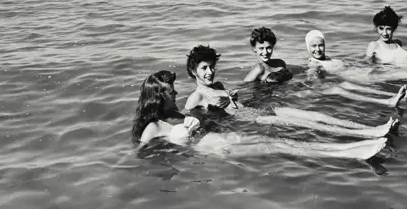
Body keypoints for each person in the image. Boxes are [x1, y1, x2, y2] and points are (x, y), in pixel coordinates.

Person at [132, 69, 388, 161]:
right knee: (278, 145)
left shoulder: (177, 112)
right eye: (169, 91)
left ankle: (354, 147)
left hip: (228, 140)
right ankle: (353, 153)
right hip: (220, 151)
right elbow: (138, 156)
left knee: (282, 143)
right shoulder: (153, 127)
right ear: (157, 96)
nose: (175, 92)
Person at [185, 44, 397, 138]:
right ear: (193, 71)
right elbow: (188, 120)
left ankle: (367, 129)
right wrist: (211, 113)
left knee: (317, 115)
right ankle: (362, 135)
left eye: (212, 66)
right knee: (306, 123)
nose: (210, 71)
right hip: (255, 120)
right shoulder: (197, 96)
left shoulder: (218, 85)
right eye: (204, 68)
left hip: (261, 109)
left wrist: (233, 96)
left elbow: (232, 98)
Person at [305, 29, 407, 104]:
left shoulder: (327, 58)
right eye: (313, 46)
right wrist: (319, 85)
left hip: (360, 72)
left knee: (388, 70)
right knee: (392, 73)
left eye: (321, 45)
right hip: (358, 77)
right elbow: (315, 81)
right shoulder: (314, 64)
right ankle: (388, 101)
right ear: (308, 47)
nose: (318, 49)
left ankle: (398, 96)